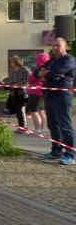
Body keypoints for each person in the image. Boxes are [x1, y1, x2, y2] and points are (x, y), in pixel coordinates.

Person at [33, 37, 76, 165]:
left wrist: (46, 74)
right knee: (52, 125)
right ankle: (56, 151)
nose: (55, 48)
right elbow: (36, 73)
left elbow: (53, 75)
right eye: (53, 45)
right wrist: (45, 73)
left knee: (65, 126)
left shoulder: (68, 60)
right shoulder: (52, 60)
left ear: (65, 46)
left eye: (58, 45)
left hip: (62, 96)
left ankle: (70, 154)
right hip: (49, 95)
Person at [7, 56, 31, 134]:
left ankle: (24, 127)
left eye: (12, 61)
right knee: (18, 111)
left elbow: (28, 79)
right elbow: (10, 80)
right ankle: (20, 127)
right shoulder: (12, 71)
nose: (11, 63)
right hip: (14, 93)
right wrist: (10, 84)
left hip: (23, 93)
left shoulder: (24, 69)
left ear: (16, 62)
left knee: (21, 110)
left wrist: (18, 84)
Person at [27, 52, 49, 135]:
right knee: (41, 111)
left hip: (35, 93)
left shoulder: (39, 70)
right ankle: (41, 129)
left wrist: (30, 75)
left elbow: (30, 79)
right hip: (42, 92)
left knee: (34, 112)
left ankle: (38, 129)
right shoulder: (48, 69)